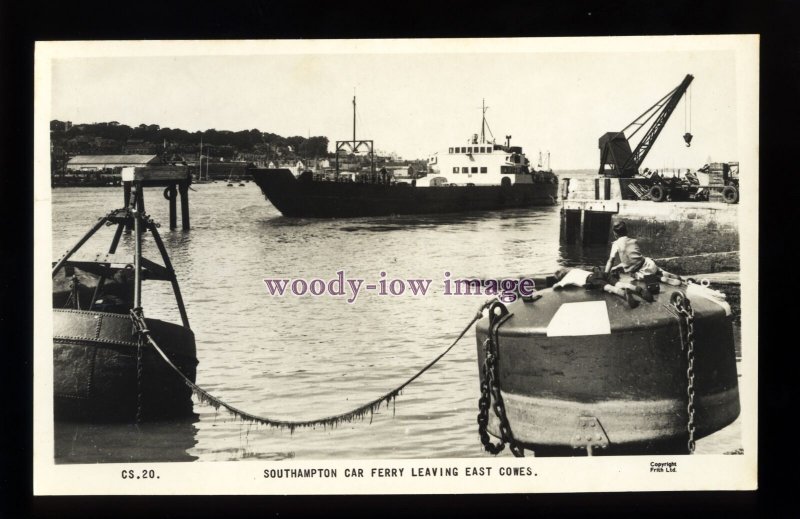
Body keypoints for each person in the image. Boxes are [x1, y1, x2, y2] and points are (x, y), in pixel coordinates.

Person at [605, 221, 682, 286]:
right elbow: (635, 258)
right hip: (648, 264)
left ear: (615, 234)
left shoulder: (616, 244)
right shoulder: (633, 241)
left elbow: (611, 261)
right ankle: (664, 273)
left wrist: (606, 274)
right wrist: (617, 267)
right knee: (655, 269)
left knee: (645, 276)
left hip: (640, 273)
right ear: (626, 231)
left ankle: (661, 278)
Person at [553, 267, 652, 309]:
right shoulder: (575, 270)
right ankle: (637, 289)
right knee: (619, 283)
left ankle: (624, 294)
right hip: (599, 273)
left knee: (609, 288)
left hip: (591, 279)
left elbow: (556, 287)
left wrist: (559, 283)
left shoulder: (565, 279)